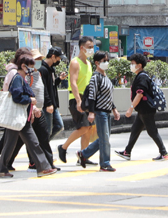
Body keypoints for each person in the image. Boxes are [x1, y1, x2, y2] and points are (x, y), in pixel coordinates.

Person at [0, 54, 57, 178]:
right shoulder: (18, 78)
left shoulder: (21, 77)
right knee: (27, 143)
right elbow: (17, 96)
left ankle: (42, 167)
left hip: (21, 117)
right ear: (23, 66)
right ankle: (43, 167)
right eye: (30, 66)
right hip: (18, 117)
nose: (32, 69)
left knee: (25, 142)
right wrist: (30, 100)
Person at [115, 53, 168, 161]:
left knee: (152, 131)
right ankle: (127, 152)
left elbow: (139, 94)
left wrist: (130, 108)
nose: (131, 65)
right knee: (135, 129)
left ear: (139, 65)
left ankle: (164, 153)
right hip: (143, 109)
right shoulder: (141, 76)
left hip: (146, 109)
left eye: (133, 63)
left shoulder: (142, 77)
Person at [77, 51, 121, 172]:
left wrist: (114, 109)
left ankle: (84, 154)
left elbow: (108, 96)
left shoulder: (106, 77)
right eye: (104, 61)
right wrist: (91, 112)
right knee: (105, 138)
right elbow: (92, 96)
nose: (106, 63)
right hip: (100, 112)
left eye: (107, 60)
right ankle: (105, 163)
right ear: (97, 63)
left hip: (107, 111)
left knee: (104, 138)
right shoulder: (95, 78)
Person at [58, 37, 98, 165]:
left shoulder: (88, 63)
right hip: (77, 98)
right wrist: (78, 100)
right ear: (82, 48)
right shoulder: (75, 62)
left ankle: (83, 156)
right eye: (89, 47)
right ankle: (63, 147)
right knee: (84, 127)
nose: (91, 49)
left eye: (92, 47)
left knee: (89, 128)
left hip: (87, 99)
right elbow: (73, 82)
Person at [0, 48, 31, 170]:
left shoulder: (15, 72)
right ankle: (0, 163)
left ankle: (0, 163)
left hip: (16, 111)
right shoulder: (15, 74)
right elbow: (15, 94)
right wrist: (30, 100)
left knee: (10, 139)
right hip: (15, 110)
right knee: (11, 140)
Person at [40, 47, 66, 140]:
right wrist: (48, 103)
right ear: (53, 56)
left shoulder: (51, 69)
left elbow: (52, 85)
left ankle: (43, 146)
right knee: (47, 131)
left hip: (52, 104)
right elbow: (43, 88)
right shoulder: (43, 69)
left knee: (59, 126)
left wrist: (59, 79)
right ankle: (43, 148)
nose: (59, 60)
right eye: (58, 58)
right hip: (48, 104)